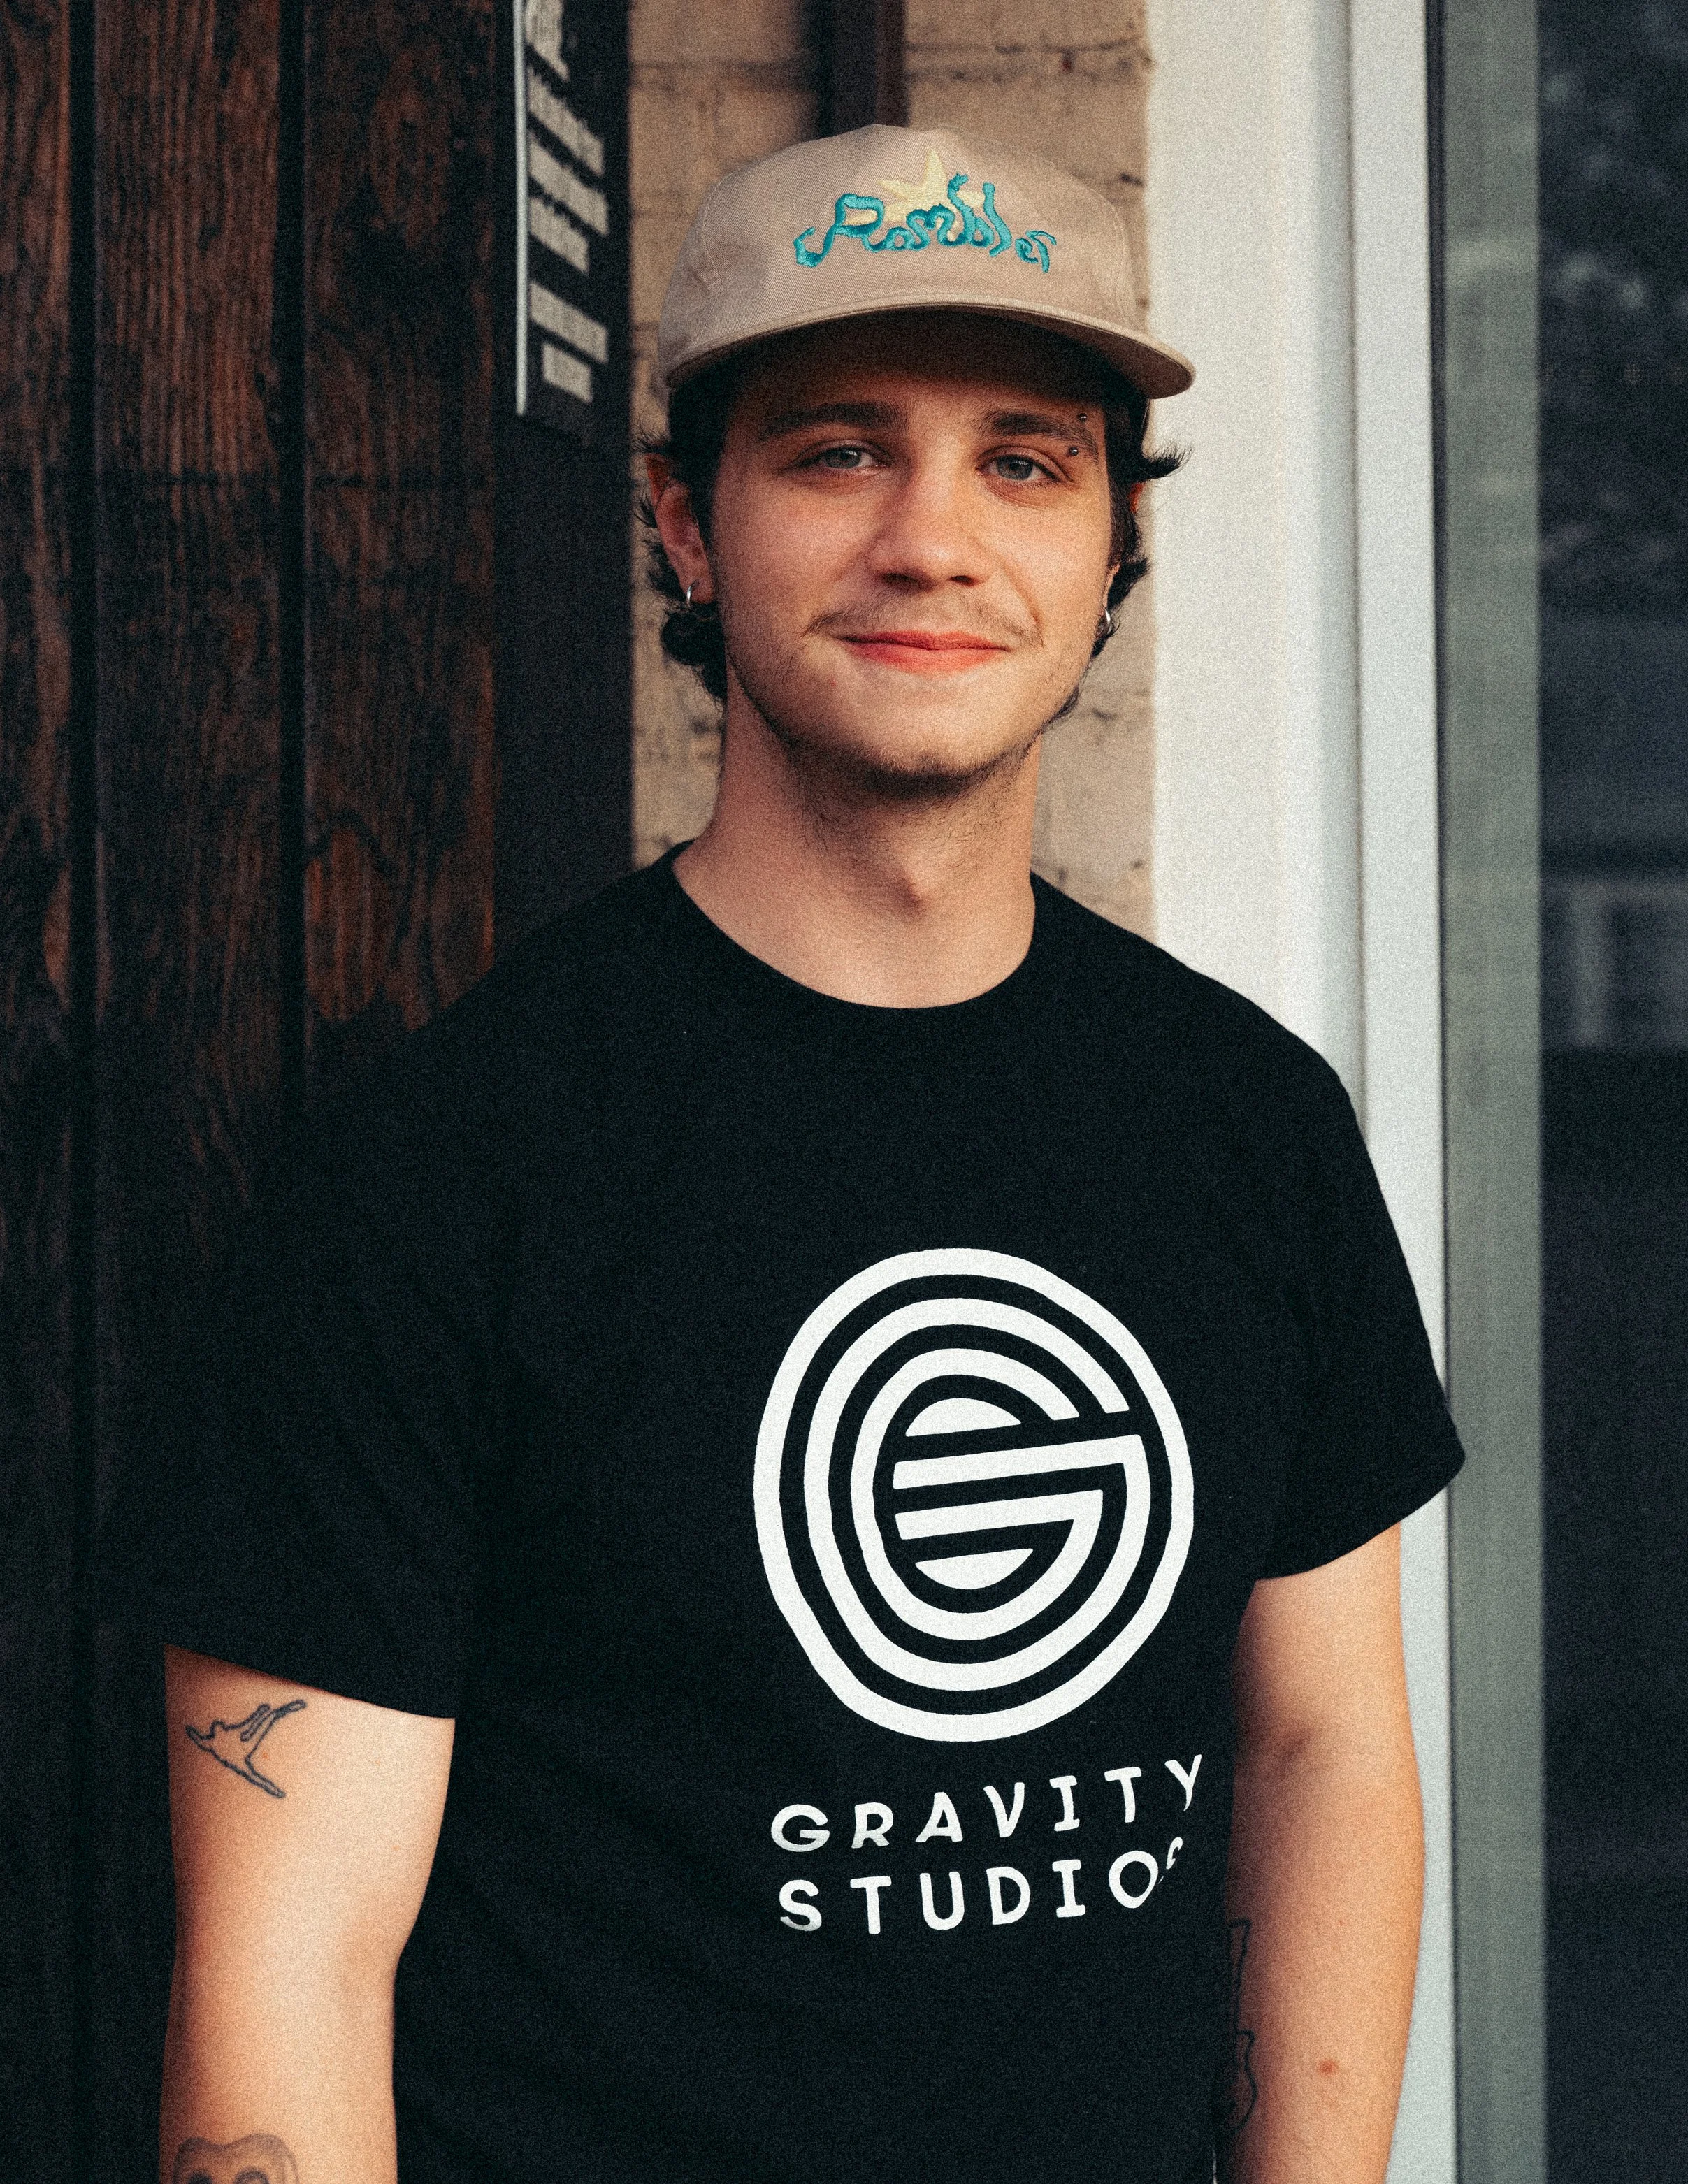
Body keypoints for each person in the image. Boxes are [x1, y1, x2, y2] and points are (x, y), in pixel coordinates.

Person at [108, 123, 1462, 2184]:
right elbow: (292, 1951)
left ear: (1112, 544)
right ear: (680, 525)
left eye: (1025, 457)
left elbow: (1318, 1742)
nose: (935, 537)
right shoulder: (447, 1168)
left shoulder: (1244, 1123)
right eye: (838, 449)